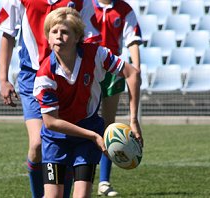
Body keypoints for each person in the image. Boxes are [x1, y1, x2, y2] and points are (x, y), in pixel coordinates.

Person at [33, 7, 143, 198]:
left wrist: (133, 119)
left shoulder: (96, 54)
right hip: (56, 138)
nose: (59, 36)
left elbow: (132, 73)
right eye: (54, 32)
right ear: (48, 38)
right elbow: (50, 122)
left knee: (82, 195)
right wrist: (93, 136)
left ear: (77, 37)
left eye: (65, 32)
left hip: (86, 130)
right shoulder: (44, 75)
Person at [0, 1, 84, 197]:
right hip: (32, 76)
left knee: (64, 143)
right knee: (37, 144)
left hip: (66, 77)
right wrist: (3, 79)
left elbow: (88, 34)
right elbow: (7, 33)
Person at [83, 0, 142, 196]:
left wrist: (136, 66)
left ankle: (104, 182)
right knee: (82, 122)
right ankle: (78, 175)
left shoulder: (124, 10)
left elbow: (132, 39)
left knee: (109, 125)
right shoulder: (86, 4)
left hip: (112, 70)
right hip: (88, 67)